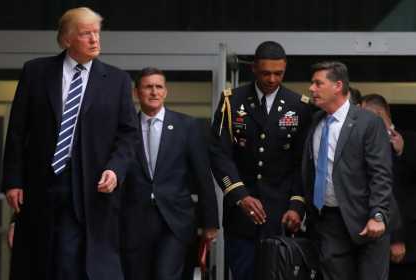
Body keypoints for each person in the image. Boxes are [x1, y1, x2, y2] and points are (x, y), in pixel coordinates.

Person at [1, 7, 138, 280]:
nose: (95, 40)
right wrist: (13, 180)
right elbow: (18, 130)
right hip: (42, 183)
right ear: (66, 39)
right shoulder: (36, 72)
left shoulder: (117, 80)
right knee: (41, 260)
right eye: (86, 34)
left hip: (92, 186)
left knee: (76, 261)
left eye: (97, 33)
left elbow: (128, 135)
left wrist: (115, 169)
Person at [209, 41, 312, 280]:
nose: (272, 79)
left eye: (279, 73)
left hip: (282, 214)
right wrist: (240, 195)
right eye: (266, 73)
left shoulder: (299, 106)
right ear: (254, 68)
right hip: (242, 214)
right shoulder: (232, 102)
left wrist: (297, 205)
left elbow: (303, 163)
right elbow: (218, 153)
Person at [121, 67, 219, 280]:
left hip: (176, 220)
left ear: (165, 92)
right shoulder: (126, 128)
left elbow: (202, 175)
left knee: (166, 275)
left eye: (159, 87)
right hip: (135, 220)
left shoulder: (187, 126)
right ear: (136, 93)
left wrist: (210, 222)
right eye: (148, 87)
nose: (154, 92)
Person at [303, 61, 393, 280]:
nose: (311, 89)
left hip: (365, 221)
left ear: (338, 86)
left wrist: (378, 214)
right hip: (328, 223)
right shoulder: (315, 121)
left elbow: (380, 173)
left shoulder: (367, 122)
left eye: (318, 83)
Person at [361, 93, 416, 280]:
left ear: (377, 114)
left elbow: (397, 190)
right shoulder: (361, 142)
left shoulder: (409, 139)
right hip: (372, 237)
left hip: (408, 236)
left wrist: (403, 151)